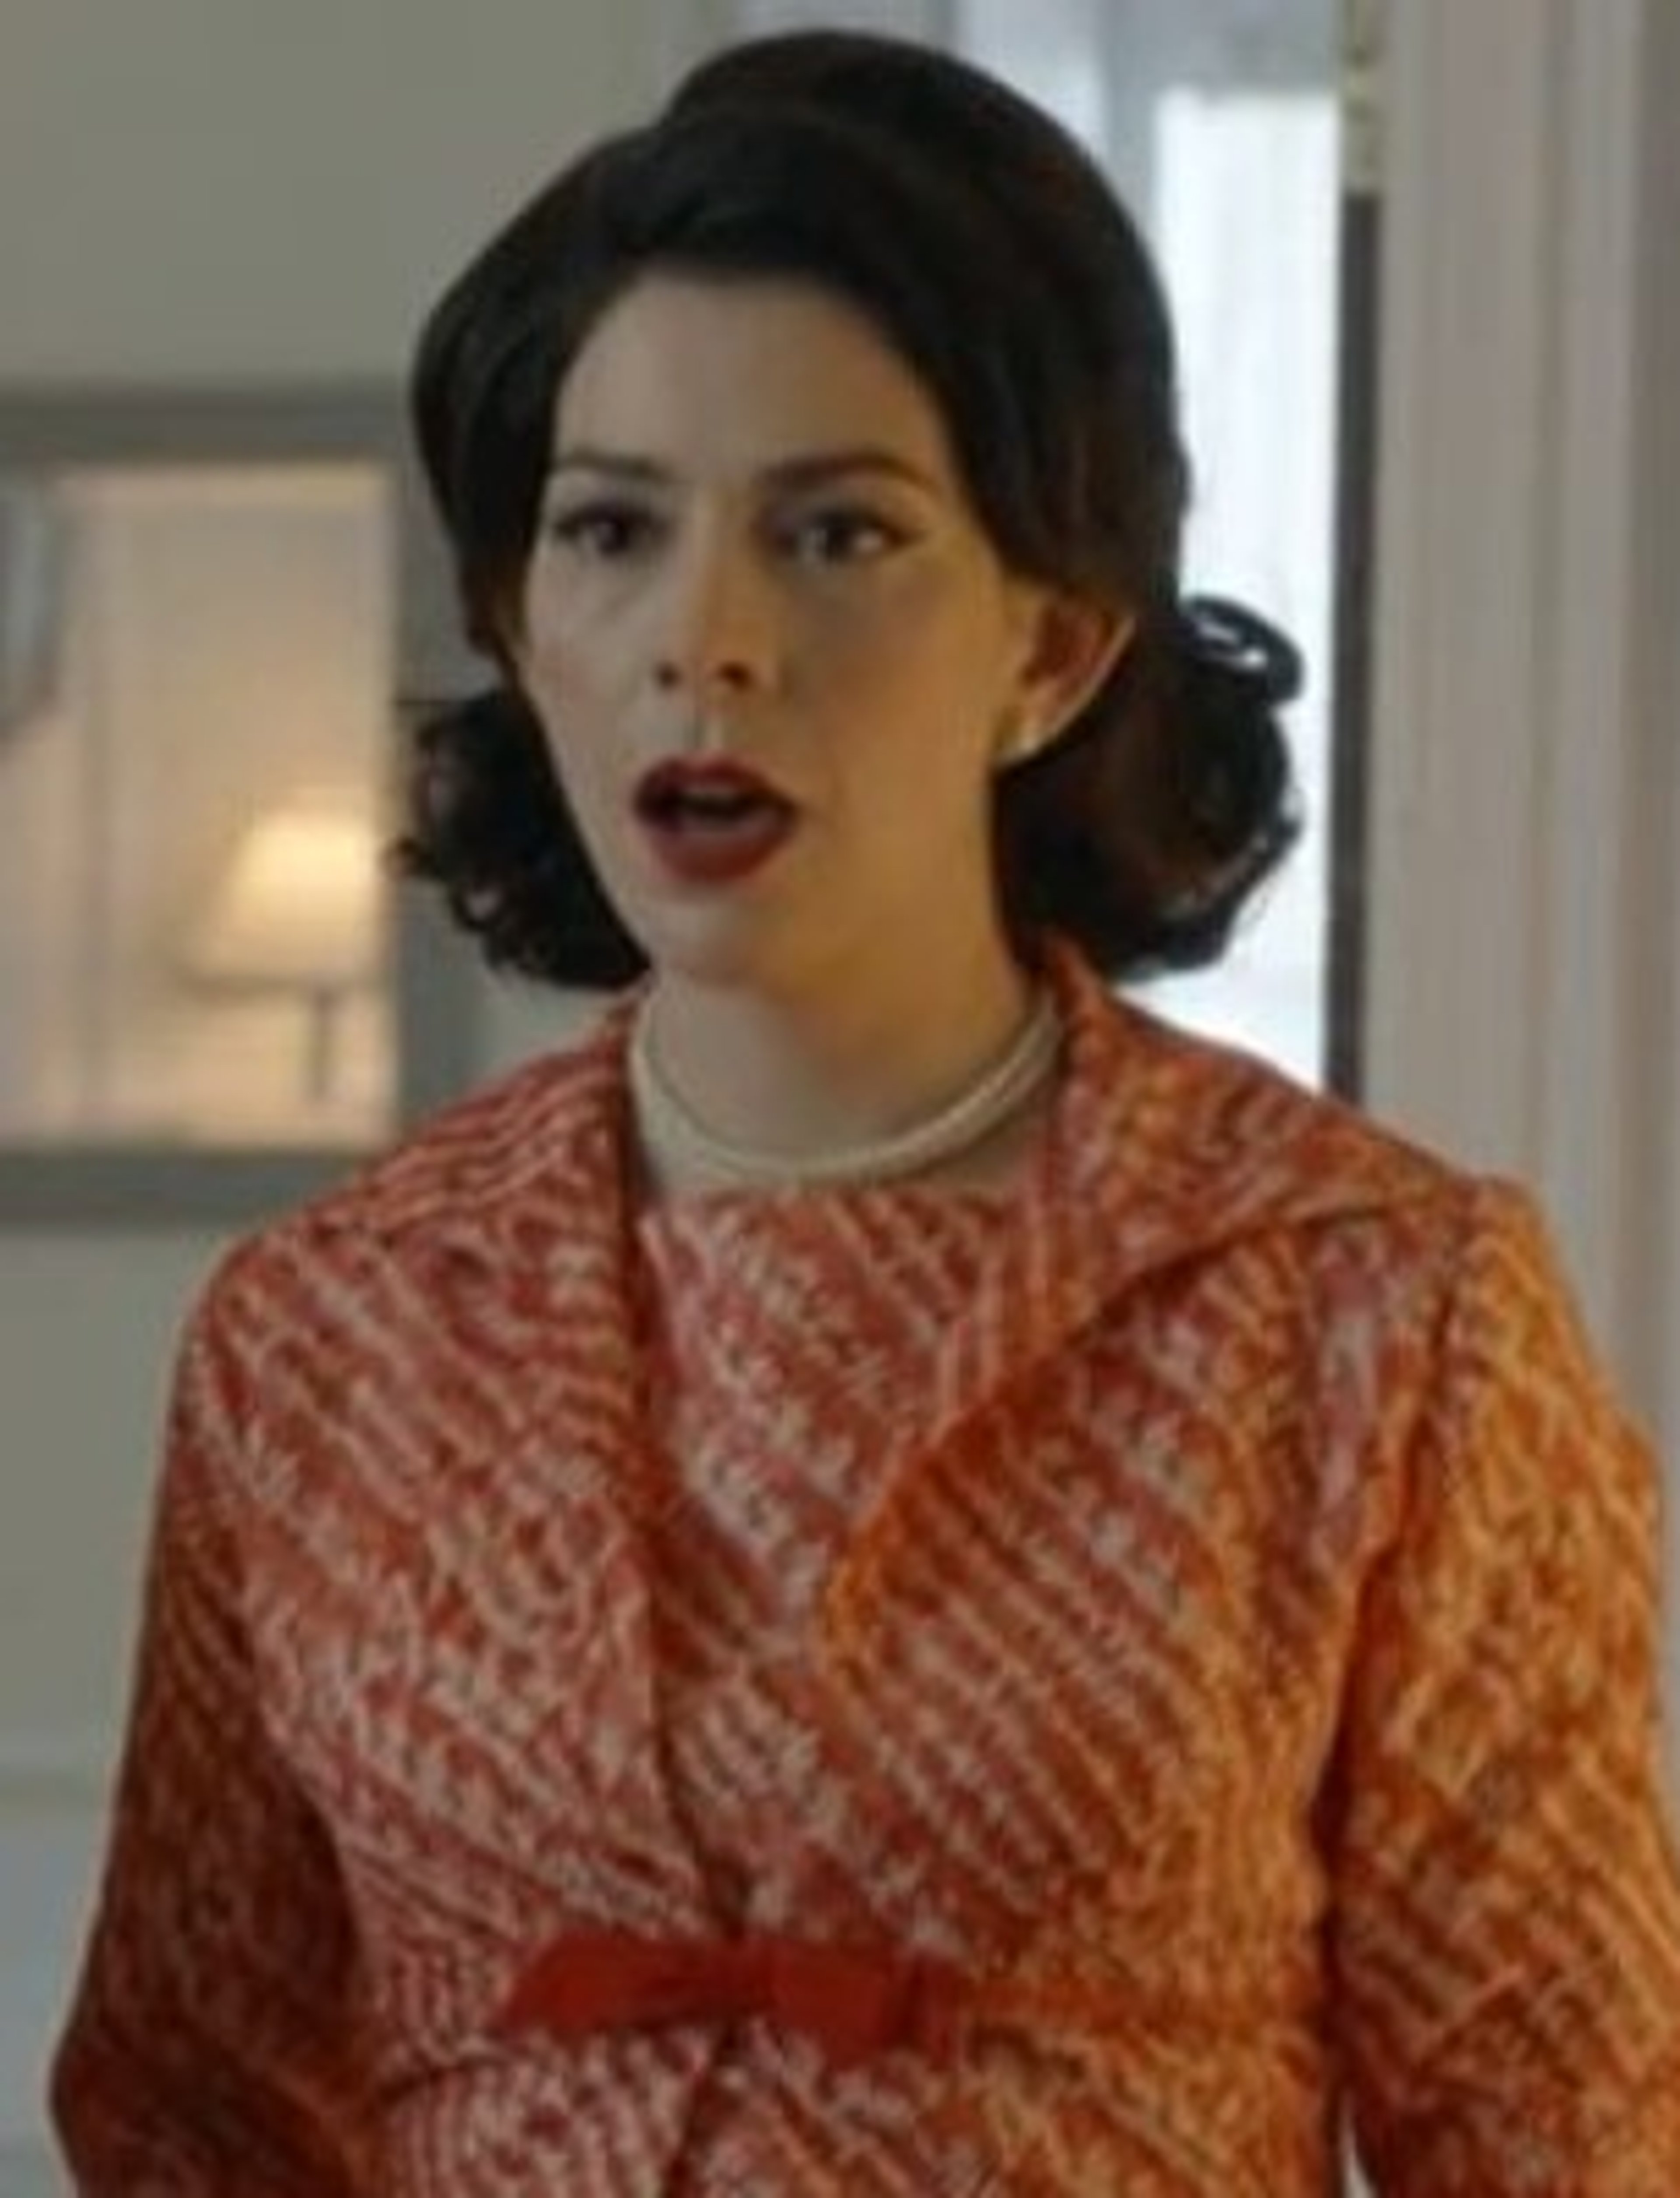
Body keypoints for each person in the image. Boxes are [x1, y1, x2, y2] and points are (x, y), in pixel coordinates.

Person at [51, 28, 1680, 2196]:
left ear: (1057, 647)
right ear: (519, 621)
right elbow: (191, 2115)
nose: (702, 639)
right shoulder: (318, 1336)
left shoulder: (1380, 1313)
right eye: (612, 528)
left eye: (836, 533)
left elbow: (1566, 2132)